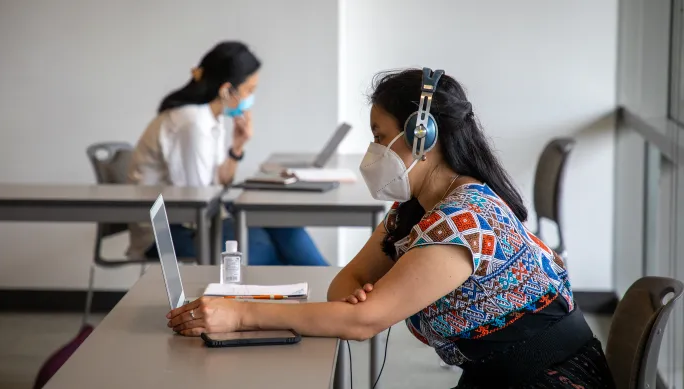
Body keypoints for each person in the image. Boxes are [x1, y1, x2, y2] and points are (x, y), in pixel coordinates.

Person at [164, 68, 616, 388]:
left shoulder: (464, 222)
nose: (374, 149)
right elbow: (347, 285)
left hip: (548, 381)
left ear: (423, 136)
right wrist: (359, 302)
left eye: (381, 136)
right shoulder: (414, 209)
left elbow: (361, 322)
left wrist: (239, 314)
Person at [126, 41, 328, 266]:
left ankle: (333, 289)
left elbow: (220, 183)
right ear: (225, 90)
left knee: (284, 225)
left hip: (199, 217)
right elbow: (199, 198)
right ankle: (322, 293)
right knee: (264, 251)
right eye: (249, 90)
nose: (251, 98)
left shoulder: (212, 118)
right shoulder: (191, 124)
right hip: (167, 230)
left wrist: (237, 146)